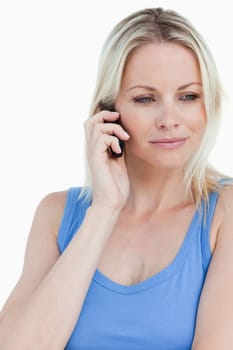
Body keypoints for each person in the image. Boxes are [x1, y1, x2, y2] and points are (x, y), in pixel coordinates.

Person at [0, 7, 233, 350]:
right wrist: (104, 208)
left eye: (188, 96)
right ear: (109, 112)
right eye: (145, 98)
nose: (169, 118)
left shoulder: (224, 213)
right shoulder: (56, 214)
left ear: (208, 104)